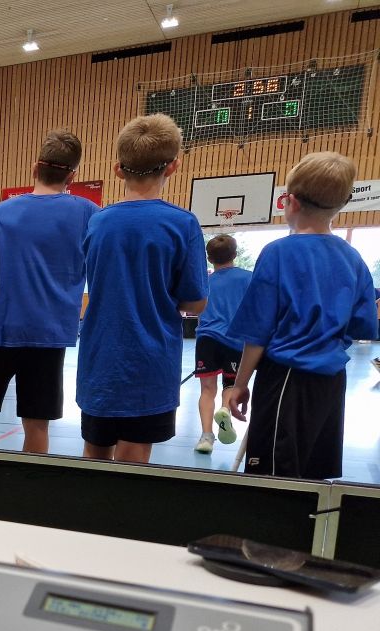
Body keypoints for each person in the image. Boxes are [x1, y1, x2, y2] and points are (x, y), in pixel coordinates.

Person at [226, 152, 379, 479]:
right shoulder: (353, 258)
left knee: (273, 477)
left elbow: (258, 331)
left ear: (290, 202)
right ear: (341, 206)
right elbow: (363, 325)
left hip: (287, 378)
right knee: (311, 475)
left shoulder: (278, 252)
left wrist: (240, 384)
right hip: (331, 384)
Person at [0, 129, 99, 452]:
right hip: (50, 335)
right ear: (72, 176)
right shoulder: (88, 213)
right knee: (36, 422)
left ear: (34, 168)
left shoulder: (1, 212)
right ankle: (30, 481)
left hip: (3, 329)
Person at [77, 114, 207, 464]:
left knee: (93, 457)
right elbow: (196, 302)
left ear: (118, 170)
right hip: (149, 364)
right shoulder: (182, 224)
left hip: (99, 361)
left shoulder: (97, 222)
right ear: (174, 166)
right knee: (132, 462)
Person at [192, 235, 252, 454]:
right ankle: (225, 409)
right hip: (235, 340)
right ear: (235, 255)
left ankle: (206, 437)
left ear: (209, 258)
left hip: (207, 339)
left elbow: (196, 310)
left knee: (207, 390)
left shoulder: (204, 283)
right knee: (230, 385)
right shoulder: (248, 278)